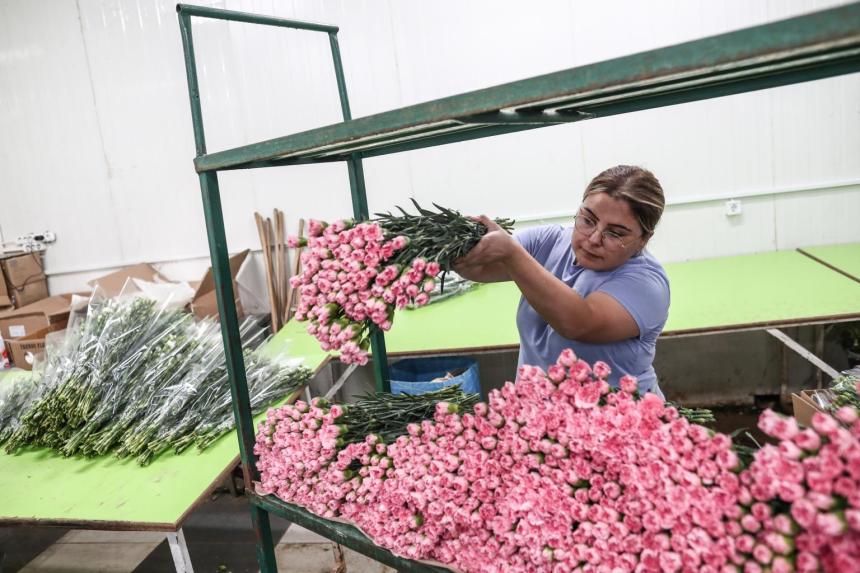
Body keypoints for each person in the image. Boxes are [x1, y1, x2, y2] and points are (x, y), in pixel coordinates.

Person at [455, 165, 670, 396]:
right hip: (541, 415)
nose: (594, 238)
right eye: (588, 220)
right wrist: (457, 245)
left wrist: (511, 253)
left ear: (643, 239)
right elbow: (480, 268)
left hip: (615, 420)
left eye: (615, 233)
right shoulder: (550, 241)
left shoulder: (647, 283)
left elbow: (578, 323)